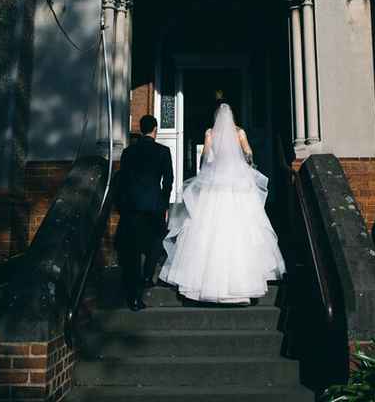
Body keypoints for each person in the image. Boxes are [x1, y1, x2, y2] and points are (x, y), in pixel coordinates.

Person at [159, 103, 285, 304]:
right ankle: (242, 286)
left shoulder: (210, 133)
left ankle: (204, 283)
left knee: (208, 228)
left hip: (216, 184)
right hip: (235, 184)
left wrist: (207, 170)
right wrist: (245, 165)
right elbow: (249, 153)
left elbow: (205, 157)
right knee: (242, 229)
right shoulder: (240, 132)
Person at [116, 114, 173, 311]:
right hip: (154, 205)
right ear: (155, 130)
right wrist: (164, 204)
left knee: (132, 253)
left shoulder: (128, 152)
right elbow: (168, 181)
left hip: (132, 206)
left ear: (141, 129)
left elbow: (122, 181)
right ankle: (148, 276)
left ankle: (133, 297)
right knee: (156, 241)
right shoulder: (163, 151)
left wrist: (122, 206)